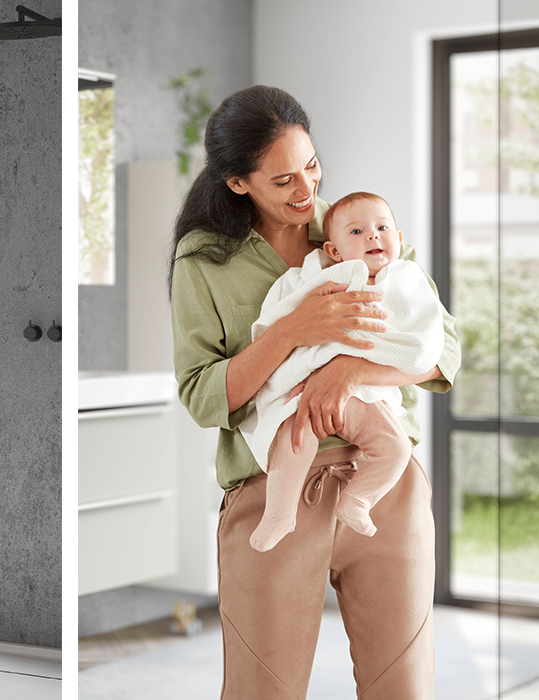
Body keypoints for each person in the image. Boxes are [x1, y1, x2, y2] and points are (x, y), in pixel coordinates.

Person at [170, 85, 461, 697]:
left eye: (312, 166)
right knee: (262, 691)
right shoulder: (206, 260)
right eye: (283, 181)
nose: (306, 191)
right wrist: (291, 332)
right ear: (237, 182)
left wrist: (353, 372)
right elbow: (202, 396)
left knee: (404, 689)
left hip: (383, 485)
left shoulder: (356, 224)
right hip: (270, 489)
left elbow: (443, 349)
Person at [241, 193, 446, 552]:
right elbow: (276, 318)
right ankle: (279, 515)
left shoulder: (405, 279)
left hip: (367, 393)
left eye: (382, 228)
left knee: (394, 447)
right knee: (294, 437)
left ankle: (358, 500)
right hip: (307, 390)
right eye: (357, 232)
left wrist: (355, 366)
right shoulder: (313, 276)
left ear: (397, 238)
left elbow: (426, 338)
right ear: (334, 251)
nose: (373, 236)